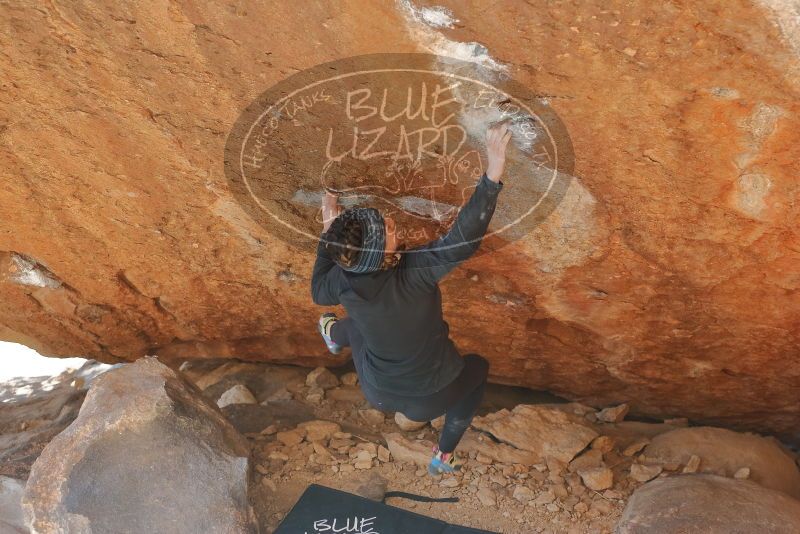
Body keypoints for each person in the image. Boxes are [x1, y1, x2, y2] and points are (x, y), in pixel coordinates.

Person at [311, 122, 512, 475]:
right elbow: (463, 238)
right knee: (478, 367)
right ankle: (444, 454)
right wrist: (493, 172)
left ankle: (332, 336)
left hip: (377, 390)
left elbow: (317, 291)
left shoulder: (343, 281)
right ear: (382, 256)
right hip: (429, 400)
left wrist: (330, 230)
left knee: (357, 327)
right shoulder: (415, 273)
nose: (390, 222)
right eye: (387, 231)